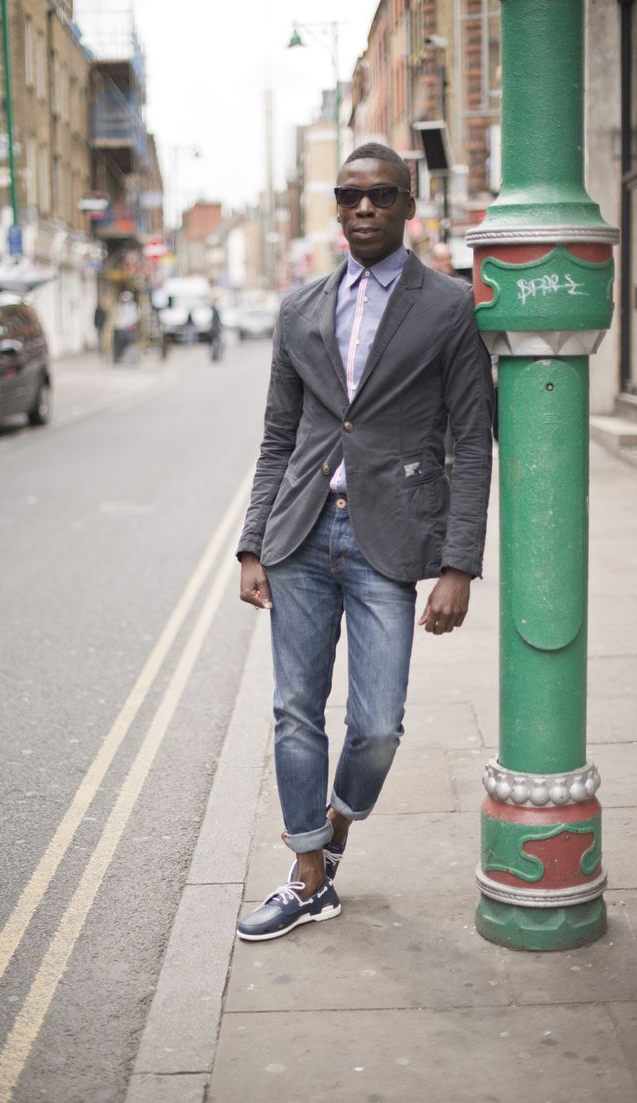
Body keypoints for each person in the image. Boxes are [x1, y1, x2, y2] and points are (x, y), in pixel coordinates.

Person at [235, 142, 494, 942]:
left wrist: (459, 563)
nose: (364, 208)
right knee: (294, 709)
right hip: (301, 532)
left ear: (408, 203)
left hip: (391, 534)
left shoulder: (448, 306)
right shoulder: (300, 308)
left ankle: (336, 825)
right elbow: (278, 435)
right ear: (337, 208)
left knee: (378, 724)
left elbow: (472, 440)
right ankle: (308, 875)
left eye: (380, 194)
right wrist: (252, 543)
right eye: (350, 196)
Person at [112, 290, 140, 363]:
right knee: (120, 344)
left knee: (130, 343)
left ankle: (132, 358)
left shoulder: (133, 307)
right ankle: (118, 357)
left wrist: (130, 324)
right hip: (121, 328)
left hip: (130, 328)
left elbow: (135, 317)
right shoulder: (119, 307)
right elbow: (117, 317)